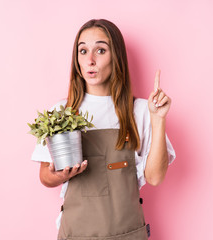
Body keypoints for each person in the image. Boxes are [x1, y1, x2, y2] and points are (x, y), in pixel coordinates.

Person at [31, 19, 176, 240]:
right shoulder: (61, 112)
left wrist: (157, 119)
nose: (90, 60)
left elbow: (155, 178)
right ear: (76, 60)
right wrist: (59, 174)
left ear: (115, 57)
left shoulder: (140, 111)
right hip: (76, 234)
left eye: (100, 50)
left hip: (128, 234)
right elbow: (44, 176)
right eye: (83, 51)